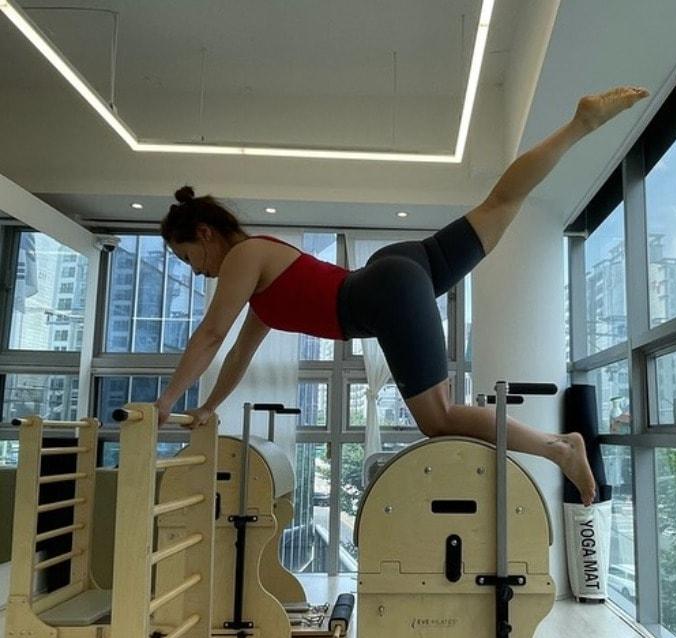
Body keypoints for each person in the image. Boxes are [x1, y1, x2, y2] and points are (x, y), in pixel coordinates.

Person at [154, 85, 649, 506]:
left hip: (383, 294)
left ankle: (559, 448)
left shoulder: (244, 257)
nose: (195, 271)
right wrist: (208, 406)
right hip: (398, 271)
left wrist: (166, 400)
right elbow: (238, 352)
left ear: (205, 234)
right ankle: (580, 124)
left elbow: (212, 333)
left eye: (186, 257)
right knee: (501, 202)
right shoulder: (260, 278)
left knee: (440, 419)